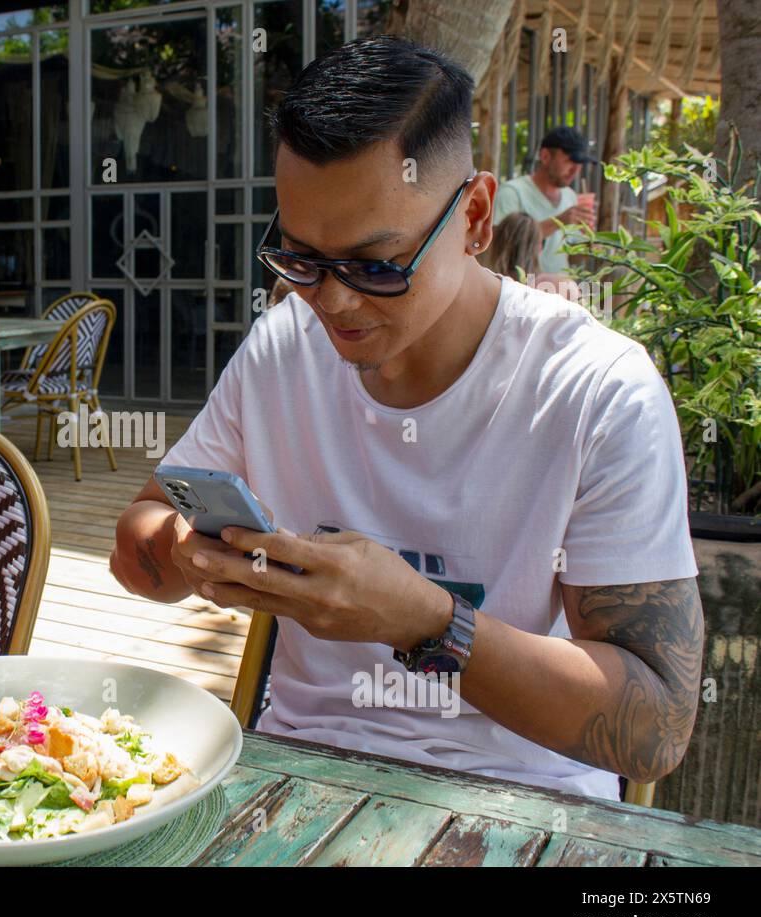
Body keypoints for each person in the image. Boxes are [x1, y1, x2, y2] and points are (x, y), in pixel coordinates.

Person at [109, 36, 702, 799]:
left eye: (376, 265)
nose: (331, 300)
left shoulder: (596, 389)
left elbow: (656, 726)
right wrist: (186, 555)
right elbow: (139, 541)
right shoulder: (285, 344)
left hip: (519, 799)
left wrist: (424, 622)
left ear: (477, 216)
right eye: (299, 260)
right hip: (296, 774)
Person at [493, 126, 597, 273]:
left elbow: (571, 257)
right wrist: (558, 221)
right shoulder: (512, 193)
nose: (576, 170)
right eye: (571, 161)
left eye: (580, 164)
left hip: (559, 290)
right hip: (523, 290)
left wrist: (590, 247)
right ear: (545, 156)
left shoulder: (570, 197)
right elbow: (501, 246)